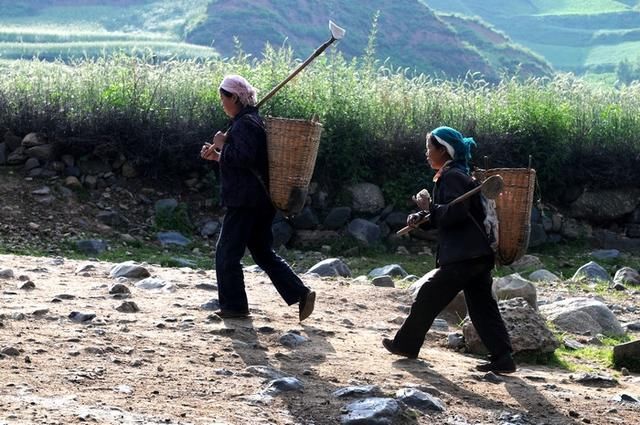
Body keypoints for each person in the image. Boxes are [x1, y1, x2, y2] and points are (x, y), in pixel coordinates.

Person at [382, 126, 515, 373]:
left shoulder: (452, 177)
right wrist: (423, 214)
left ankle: (406, 345)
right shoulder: (458, 175)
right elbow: (447, 212)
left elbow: (455, 213)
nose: (426, 153)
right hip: (478, 254)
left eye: (429, 148)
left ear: (444, 150)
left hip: (464, 256)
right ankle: (503, 358)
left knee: (428, 296)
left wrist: (429, 206)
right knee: (482, 307)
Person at [200, 74, 315, 321]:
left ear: (234, 98)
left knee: (226, 253)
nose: (222, 104)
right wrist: (218, 157)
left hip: (245, 202)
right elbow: (246, 162)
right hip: (259, 200)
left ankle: (234, 306)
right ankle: (301, 293)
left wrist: (221, 146)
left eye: (223, 99)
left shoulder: (245, 125)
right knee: (262, 252)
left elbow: (244, 158)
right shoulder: (250, 122)